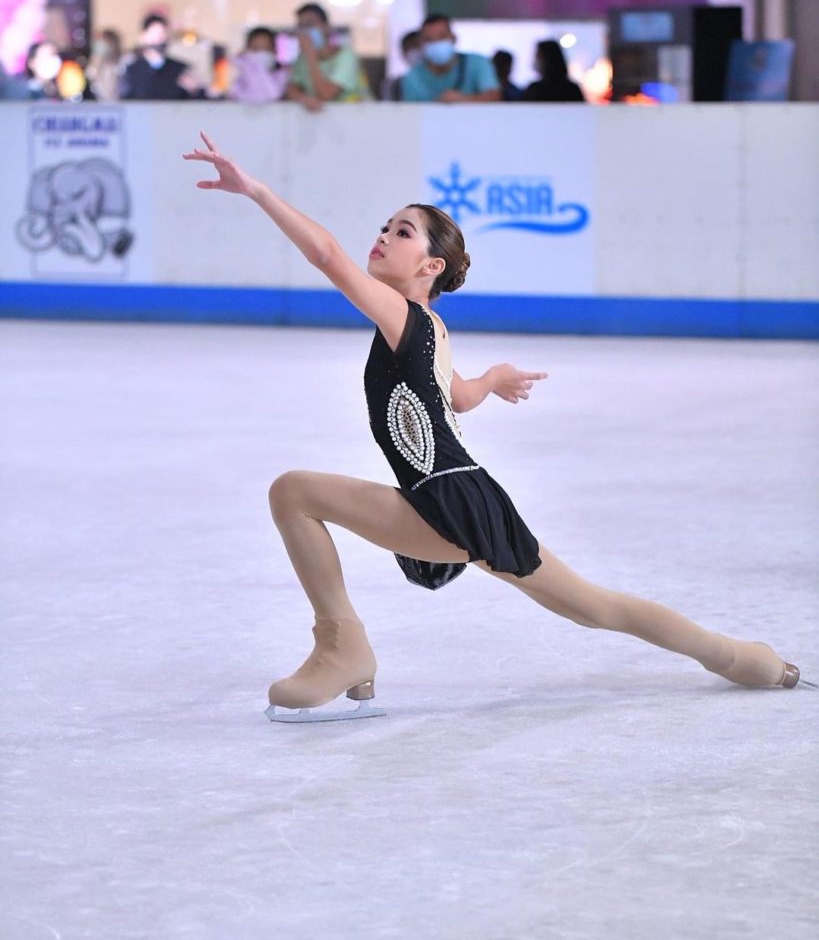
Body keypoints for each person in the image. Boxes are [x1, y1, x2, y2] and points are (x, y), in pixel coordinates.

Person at [183, 130, 810, 723]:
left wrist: (257, 191)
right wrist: (493, 379)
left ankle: (343, 645)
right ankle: (744, 659)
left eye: (402, 233)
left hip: (443, 501)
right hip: (468, 498)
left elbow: (326, 256)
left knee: (293, 491)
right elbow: (455, 395)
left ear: (430, 266)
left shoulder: (403, 315)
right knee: (594, 607)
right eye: (384, 227)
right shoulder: (429, 329)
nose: (383, 237)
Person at [286, 2, 371, 112]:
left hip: (357, 117)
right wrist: (304, 99)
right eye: (301, 26)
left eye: (310, 24)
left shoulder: (346, 56)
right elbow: (291, 89)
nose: (305, 31)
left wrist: (311, 55)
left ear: (326, 27)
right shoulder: (301, 59)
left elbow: (326, 94)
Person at [400, 14, 500, 103]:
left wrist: (464, 100)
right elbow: (411, 112)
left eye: (442, 36)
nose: (436, 43)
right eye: (429, 39)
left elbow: (494, 96)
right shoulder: (413, 77)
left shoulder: (478, 63)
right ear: (421, 44)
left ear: (453, 38)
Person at [122, 13, 201, 101]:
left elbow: (196, 101)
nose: (159, 39)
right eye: (154, 34)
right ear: (143, 36)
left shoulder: (179, 69)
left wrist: (195, 90)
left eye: (163, 33)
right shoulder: (132, 71)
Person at [228, 26, 287, 104]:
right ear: (247, 49)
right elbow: (234, 94)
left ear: (274, 50)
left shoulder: (282, 74)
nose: (261, 53)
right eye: (256, 48)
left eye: (265, 49)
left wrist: (254, 66)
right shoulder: (236, 71)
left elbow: (271, 95)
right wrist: (246, 64)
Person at [381, 29, 422, 101]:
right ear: (403, 53)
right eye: (409, 48)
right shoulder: (393, 86)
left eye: (417, 46)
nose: (414, 52)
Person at [86, 28, 125, 102]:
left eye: (103, 42)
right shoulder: (91, 67)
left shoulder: (120, 65)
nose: (99, 46)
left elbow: (111, 93)